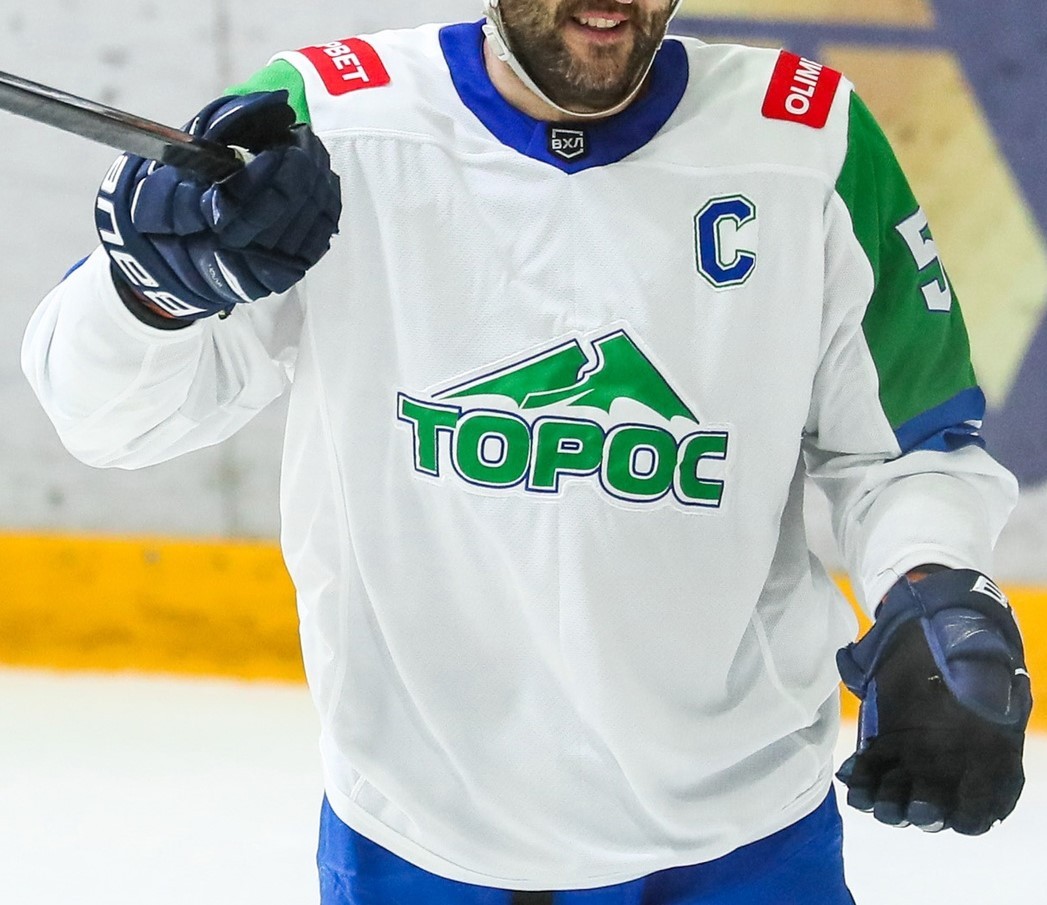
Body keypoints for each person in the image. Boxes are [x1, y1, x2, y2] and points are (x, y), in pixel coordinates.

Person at [21, 1, 1032, 902]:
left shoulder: (805, 135)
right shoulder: (325, 121)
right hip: (420, 836)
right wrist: (153, 289)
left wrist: (931, 579)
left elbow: (905, 446)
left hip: (741, 832)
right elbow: (108, 417)